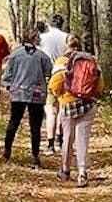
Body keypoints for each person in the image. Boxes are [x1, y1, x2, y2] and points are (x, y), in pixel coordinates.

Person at [49, 34, 104, 187]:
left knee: (67, 137)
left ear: (66, 45)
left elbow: (54, 85)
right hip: (88, 104)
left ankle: (65, 170)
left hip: (68, 103)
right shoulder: (92, 60)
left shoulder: (62, 61)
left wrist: (60, 97)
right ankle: (82, 173)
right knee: (83, 139)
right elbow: (100, 85)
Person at [1, 28, 52, 166]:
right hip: (37, 94)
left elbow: (6, 76)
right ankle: (35, 155)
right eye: (38, 37)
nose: (40, 39)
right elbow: (49, 74)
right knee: (35, 125)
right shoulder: (42, 56)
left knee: (14, 122)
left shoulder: (15, 55)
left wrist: (10, 87)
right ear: (34, 39)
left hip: (18, 93)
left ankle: (7, 150)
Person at [38, 15, 70, 153]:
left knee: (51, 110)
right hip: (64, 75)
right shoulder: (67, 37)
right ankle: (59, 139)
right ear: (62, 25)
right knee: (62, 108)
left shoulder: (42, 38)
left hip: (48, 76)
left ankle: (50, 144)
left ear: (49, 24)